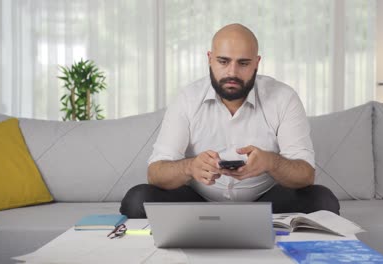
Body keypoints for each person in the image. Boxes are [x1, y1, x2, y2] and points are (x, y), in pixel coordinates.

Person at [120, 23, 340, 218]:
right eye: (223, 61)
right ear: (209, 59)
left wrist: (270, 162)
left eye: (243, 63)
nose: (232, 72)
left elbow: (305, 174)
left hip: (266, 204)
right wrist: (190, 167)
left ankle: (232, 228)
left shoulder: (284, 98)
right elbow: (156, 172)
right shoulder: (187, 98)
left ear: (257, 63)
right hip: (199, 202)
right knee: (137, 199)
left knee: (323, 201)